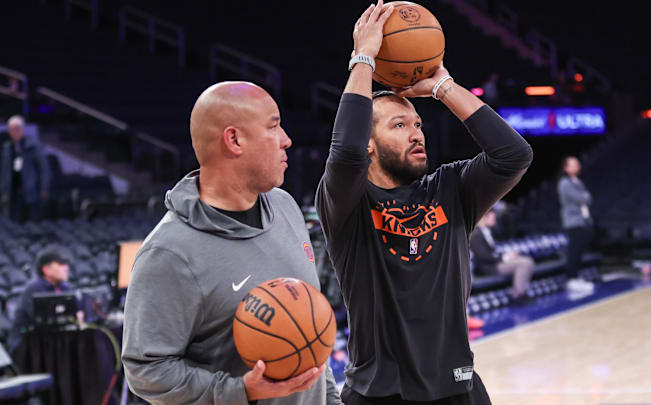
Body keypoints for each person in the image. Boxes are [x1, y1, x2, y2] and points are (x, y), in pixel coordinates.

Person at [315, 2, 533, 403]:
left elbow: (514, 155)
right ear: (369, 144)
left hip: (458, 387)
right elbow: (345, 152)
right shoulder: (349, 203)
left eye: (418, 124)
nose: (417, 133)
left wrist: (442, 87)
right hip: (380, 393)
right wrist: (363, 57)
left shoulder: (451, 189)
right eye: (399, 126)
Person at [121, 81, 341, 405]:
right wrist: (240, 391)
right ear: (234, 140)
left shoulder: (285, 207)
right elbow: (147, 371)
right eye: (274, 125)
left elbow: (310, 339)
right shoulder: (169, 253)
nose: (286, 140)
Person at [7, 249, 73, 353]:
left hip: (53, 341)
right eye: (60, 264)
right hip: (27, 345)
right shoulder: (33, 289)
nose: (66, 268)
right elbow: (40, 319)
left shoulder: (65, 287)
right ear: (46, 270)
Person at [470, 208, 535, 302]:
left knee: (525, 261)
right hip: (489, 267)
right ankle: (519, 295)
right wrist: (505, 257)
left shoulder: (486, 231)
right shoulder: (476, 234)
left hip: (494, 263)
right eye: (492, 218)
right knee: (525, 263)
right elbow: (484, 256)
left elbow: (492, 252)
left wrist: (506, 255)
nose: (494, 220)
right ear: (484, 218)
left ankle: (521, 292)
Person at [0, 115, 51, 222]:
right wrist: (4, 191)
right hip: (13, 191)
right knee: (15, 220)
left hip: (31, 190)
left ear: (22, 129)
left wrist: (44, 187)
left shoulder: (33, 146)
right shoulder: (7, 148)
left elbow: (44, 168)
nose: (14, 132)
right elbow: (4, 172)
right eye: (12, 129)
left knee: (33, 219)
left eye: (17, 129)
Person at [558, 156, 594, 293]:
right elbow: (582, 198)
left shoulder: (577, 181)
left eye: (577, 164)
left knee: (579, 251)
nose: (577, 167)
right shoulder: (565, 183)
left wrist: (585, 197)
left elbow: (588, 198)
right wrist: (584, 197)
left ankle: (576, 276)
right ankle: (571, 279)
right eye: (573, 165)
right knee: (573, 251)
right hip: (573, 222)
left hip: (583, 221)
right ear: (566, 168)